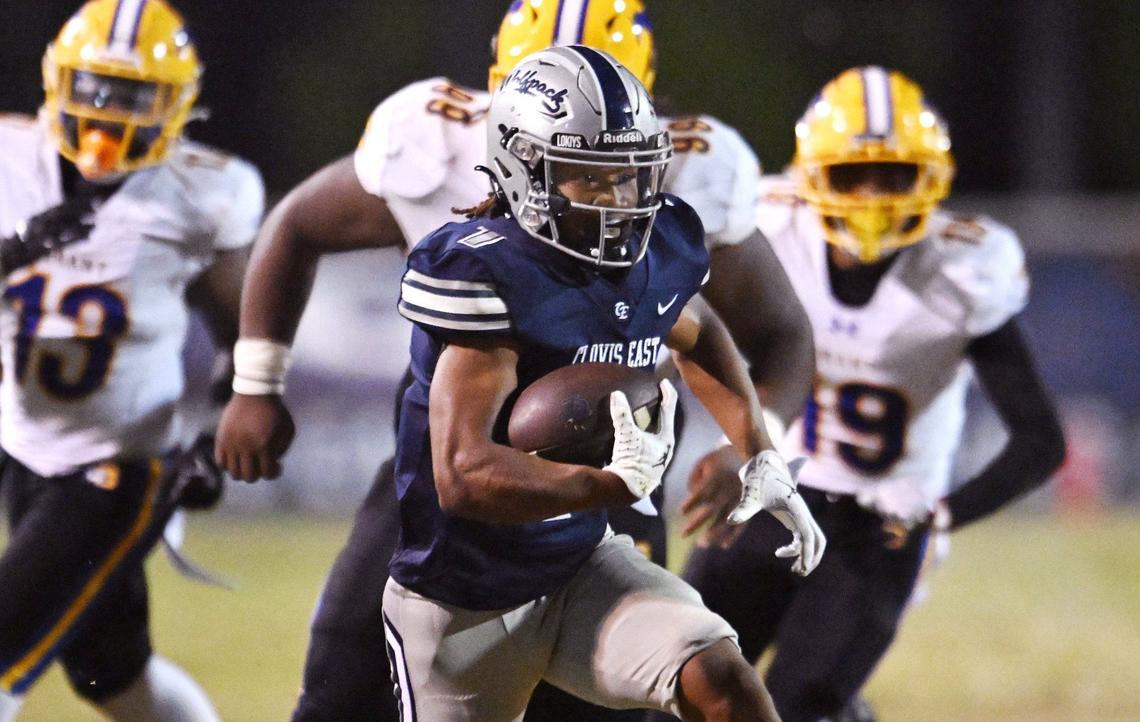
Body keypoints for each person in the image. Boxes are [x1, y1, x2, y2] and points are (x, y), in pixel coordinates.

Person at [215, 2, 813, 720]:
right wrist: (256, 384)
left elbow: (714, 324)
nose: (621, 200)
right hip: (465, 523)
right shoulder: (470, 252)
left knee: (698, 684)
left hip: (612, 467)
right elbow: (464, 471)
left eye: (628, 171)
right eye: (590, 174)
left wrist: (757, 446)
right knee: (343, 678)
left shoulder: (660, 219)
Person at [651, 66, 1067, 722]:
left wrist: (942, 513)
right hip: (776, 489)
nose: (873, 196)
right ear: (812, 173)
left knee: (795, 707)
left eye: (895, 175)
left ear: (930, 176)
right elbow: (686, 323)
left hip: (883, 522)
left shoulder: (963, 268)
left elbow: (1041, 440)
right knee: (676, 685)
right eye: (853, 175)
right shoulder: (767, 223)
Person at [0, 1, 263, 720]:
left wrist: (216, 429)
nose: (109, 114)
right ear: (58, 81)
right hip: (23, 450)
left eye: (135, 96)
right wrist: (14, 253)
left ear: (176, 103)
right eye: (95, 89)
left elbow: (249, 339)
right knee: (112, 679)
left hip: (125, 466)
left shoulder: (202, 191)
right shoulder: (8, 161)